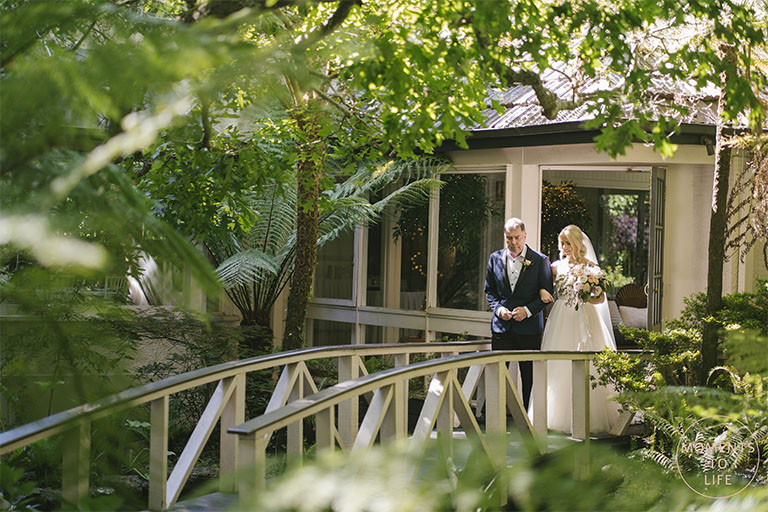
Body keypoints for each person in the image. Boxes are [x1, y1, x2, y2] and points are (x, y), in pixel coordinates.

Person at [538, 224, 620, 435]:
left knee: (588, 362)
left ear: (577, 243)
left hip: (585, 316)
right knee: (559, 363)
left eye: (568, 243)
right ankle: (554, 414)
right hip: (561, 316)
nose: (564, 247)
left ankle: (589, 415)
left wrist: (586, 295)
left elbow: (600, 298)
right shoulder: (556, 267)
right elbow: (545, 287)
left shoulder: (591, 267)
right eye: (562, 243)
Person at [485, 217, 554, 410]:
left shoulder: (540, 261)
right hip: (501, 327)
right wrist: (499, 309)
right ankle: (494, 417)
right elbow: (489, 291)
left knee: (529, 376)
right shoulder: (494, 258)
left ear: (524, 236)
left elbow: (548, 295)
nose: (513, 243)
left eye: (516, 238)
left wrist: (528, 311)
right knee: (497, 374)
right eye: (509, 238)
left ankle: (529, 419)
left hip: (530, 329)